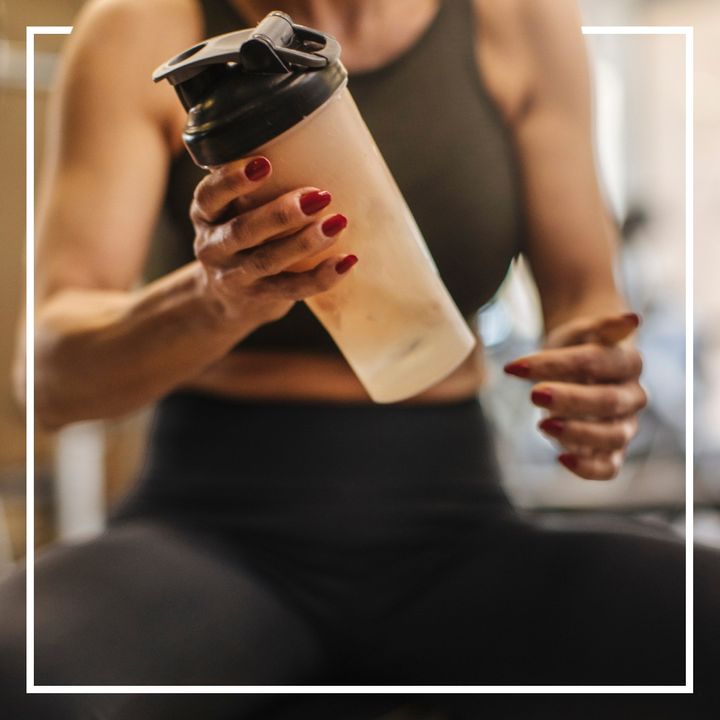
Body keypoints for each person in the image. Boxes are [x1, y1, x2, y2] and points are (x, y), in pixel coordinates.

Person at [1, 0, 717, 718]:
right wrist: (215, 299)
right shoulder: (141, 25)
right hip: (211, 528)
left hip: (454, 525)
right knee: (20, 667)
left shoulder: (519, 20)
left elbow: (586, 304)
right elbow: (47, 380)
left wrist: (597, 380)